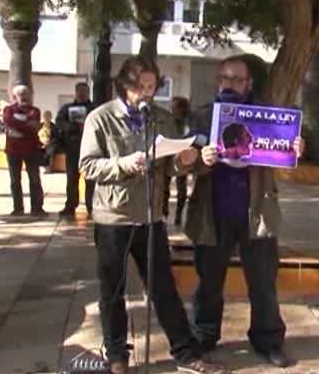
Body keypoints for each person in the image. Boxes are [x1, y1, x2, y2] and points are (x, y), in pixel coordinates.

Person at [79, 55, 229, 374]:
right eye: (139, 87)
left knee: (163, 289)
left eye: (151, 87)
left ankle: (186, 354)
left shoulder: (161, 119)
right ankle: (117, 355)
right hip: (113, 219)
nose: (145, 93)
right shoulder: (100, 118)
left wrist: (185, 161)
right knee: (112, 291)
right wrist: (123, 164)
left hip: (151, 218)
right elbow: (88, 166)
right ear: (124, 85)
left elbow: (170, 167)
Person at [185, 54, 305, 368]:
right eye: (225, 78)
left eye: (238, 79)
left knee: (263, 284)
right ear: (217, 81)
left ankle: (268, 341)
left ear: (249, 83)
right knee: (209, 283)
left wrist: (293, 150)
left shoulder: (269, 119)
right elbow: (182, 165)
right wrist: (201, 160)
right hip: (212, 214)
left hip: (257, 215)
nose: (231, 84)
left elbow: (285, 163)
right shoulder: (202, 118)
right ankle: (204, 338)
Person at [2, 84, 47, 217]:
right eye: (21, 94)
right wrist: (27, 125)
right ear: (15, 96)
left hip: (31, 150)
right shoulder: (8, 109)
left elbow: (35, 126)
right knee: (15, 180)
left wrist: (17, 130)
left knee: (34, 179)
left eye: (26, 94)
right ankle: (18, 208)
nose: (24, 97)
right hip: (13, 150)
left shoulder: (35, 111)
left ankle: (37, 208)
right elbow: (9, 122)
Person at [56, 82, 96, 217]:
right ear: (76, 92)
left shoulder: (94, 108)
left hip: (91, 149)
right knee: (72, 179)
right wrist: (71, 127)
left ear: (88, 92)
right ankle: (71, 205)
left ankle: (92, 207)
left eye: (84, 91)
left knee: (91, 180)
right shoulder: (67, 108)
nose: (82, 93)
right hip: (72, 149)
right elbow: (59, 122)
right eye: (79, 91)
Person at [163, 96, 191, 227]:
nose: (174, 110)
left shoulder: (188, 122)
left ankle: (178, 214)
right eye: (173, 108)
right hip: (167, 155)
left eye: (176, 108)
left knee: (181, 187)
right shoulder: (168, 120)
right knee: (165, 187)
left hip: (182, 155)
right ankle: (164, 213)